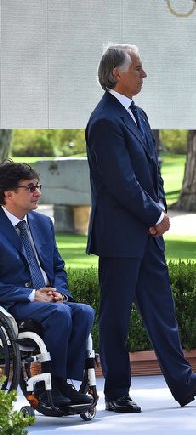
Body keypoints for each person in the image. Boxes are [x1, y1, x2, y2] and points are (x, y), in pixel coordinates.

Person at [86, 44, 196, 413]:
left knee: (161, 309)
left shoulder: (138, 114)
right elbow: (121, 182)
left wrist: (159, 211)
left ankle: (183, 383)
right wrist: (153, 215)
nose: (143, 74)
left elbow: (152, 172)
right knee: (115, 316)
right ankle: (116, 392)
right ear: (117, 73)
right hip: (121, 236)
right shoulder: (104, 121)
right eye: (138, 68)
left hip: (147, 232)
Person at [0, 160, 95, 409]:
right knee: (59, 314)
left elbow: (58, 267)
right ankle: (53, 385)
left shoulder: (43, 223)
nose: (38, 192)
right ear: (9, 194)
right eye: (30, 187)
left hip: (50, 301)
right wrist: (33, 295)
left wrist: (60, 293)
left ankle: (61, 384)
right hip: (15, 304)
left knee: (84, 311)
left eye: (38, 186)